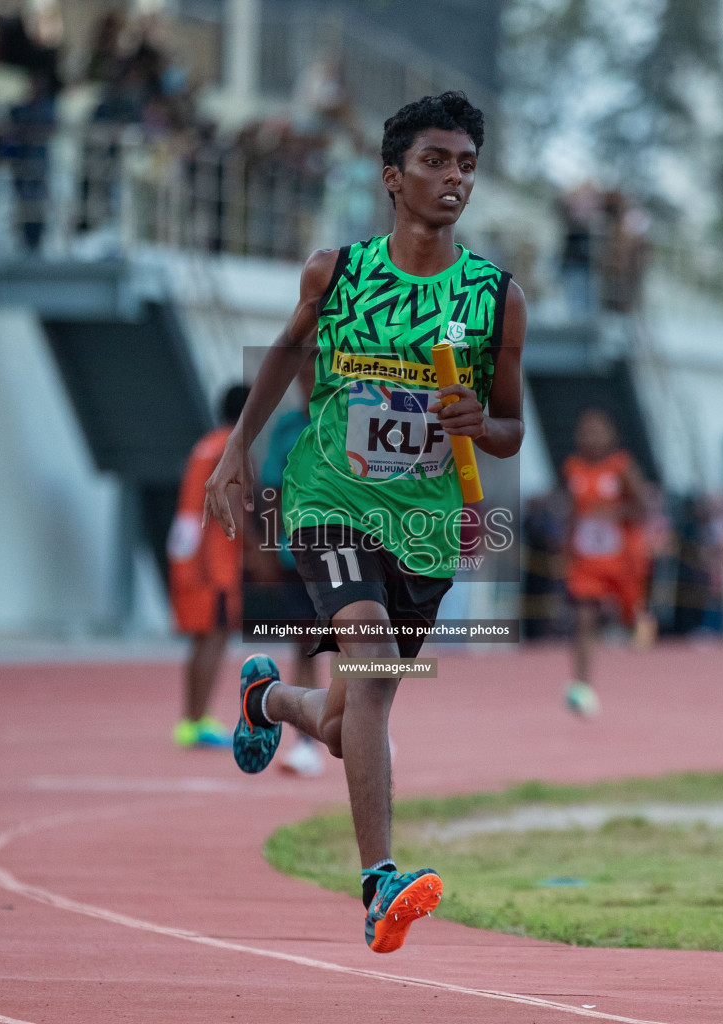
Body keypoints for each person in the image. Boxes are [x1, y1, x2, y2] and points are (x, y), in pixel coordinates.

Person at [203, 92, 526, 953]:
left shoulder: (496, 298)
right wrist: (239, 447)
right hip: (328, 500)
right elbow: (283, 354)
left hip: (424, 523)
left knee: (354, 723)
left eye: (465, 165)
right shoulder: (336, 272)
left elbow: (511, 429)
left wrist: (476, 427)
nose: (452, 178)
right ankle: (381, 882)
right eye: (434, 162)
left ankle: (266, 697)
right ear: (393, 176)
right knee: (373, 658)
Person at [251, 354, 324, 776]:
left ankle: (370, 721)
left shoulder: (358, 417)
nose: (308, 376)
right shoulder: (286, 428)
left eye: (317, 365)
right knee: (306, 642)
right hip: (297, 552)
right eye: (303, 368)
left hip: (354, 550)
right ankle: (306, 743)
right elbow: (272, 493)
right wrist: (266, 547)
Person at [167, 385, 250, 749]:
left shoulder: (205, 444)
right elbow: (233, 509)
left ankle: (192, 717)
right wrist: (260, 555)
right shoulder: (230, 451)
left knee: (202, 639)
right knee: (214, 638)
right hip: (213, 562)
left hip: (189, 554)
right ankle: (195, 720)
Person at [560, 408, 648, 717]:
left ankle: (636, 620)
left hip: (621, 561)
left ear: (610, 436)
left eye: (598, 431)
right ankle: (581, 685)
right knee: (583, 619)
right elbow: (571, 514)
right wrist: (566, 548)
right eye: (586, 431)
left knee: (630, 621)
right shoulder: (573, 469)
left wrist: (615, 512)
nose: (592, 437)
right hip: (587, 563)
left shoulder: (621, 467)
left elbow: (644, 507)